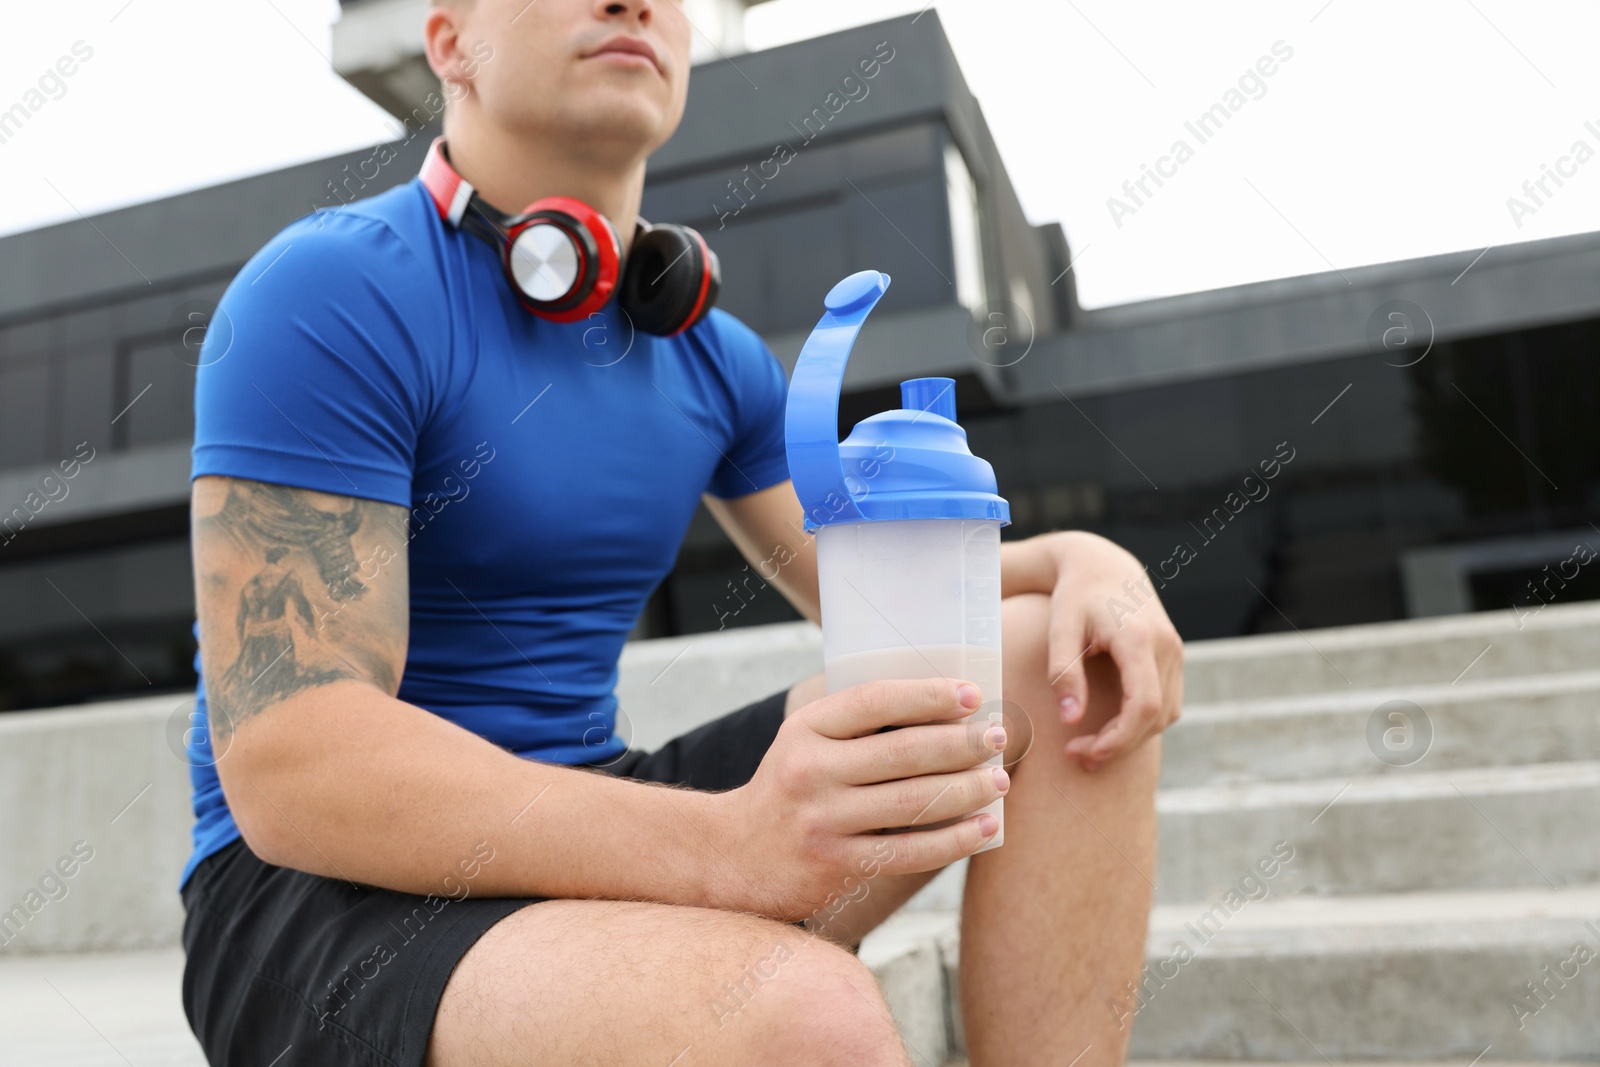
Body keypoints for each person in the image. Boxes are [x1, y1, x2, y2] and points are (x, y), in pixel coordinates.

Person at [177, 1, 1184, 1064]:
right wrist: (729, 847)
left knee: (1055, 656)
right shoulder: (331, 290)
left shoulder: (710, 351)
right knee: (809, 1013)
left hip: (598, 808)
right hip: (318, 894)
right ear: (446, 42)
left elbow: (890, 586)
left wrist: (1095, 561)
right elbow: (292, 762)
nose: (633, 2)